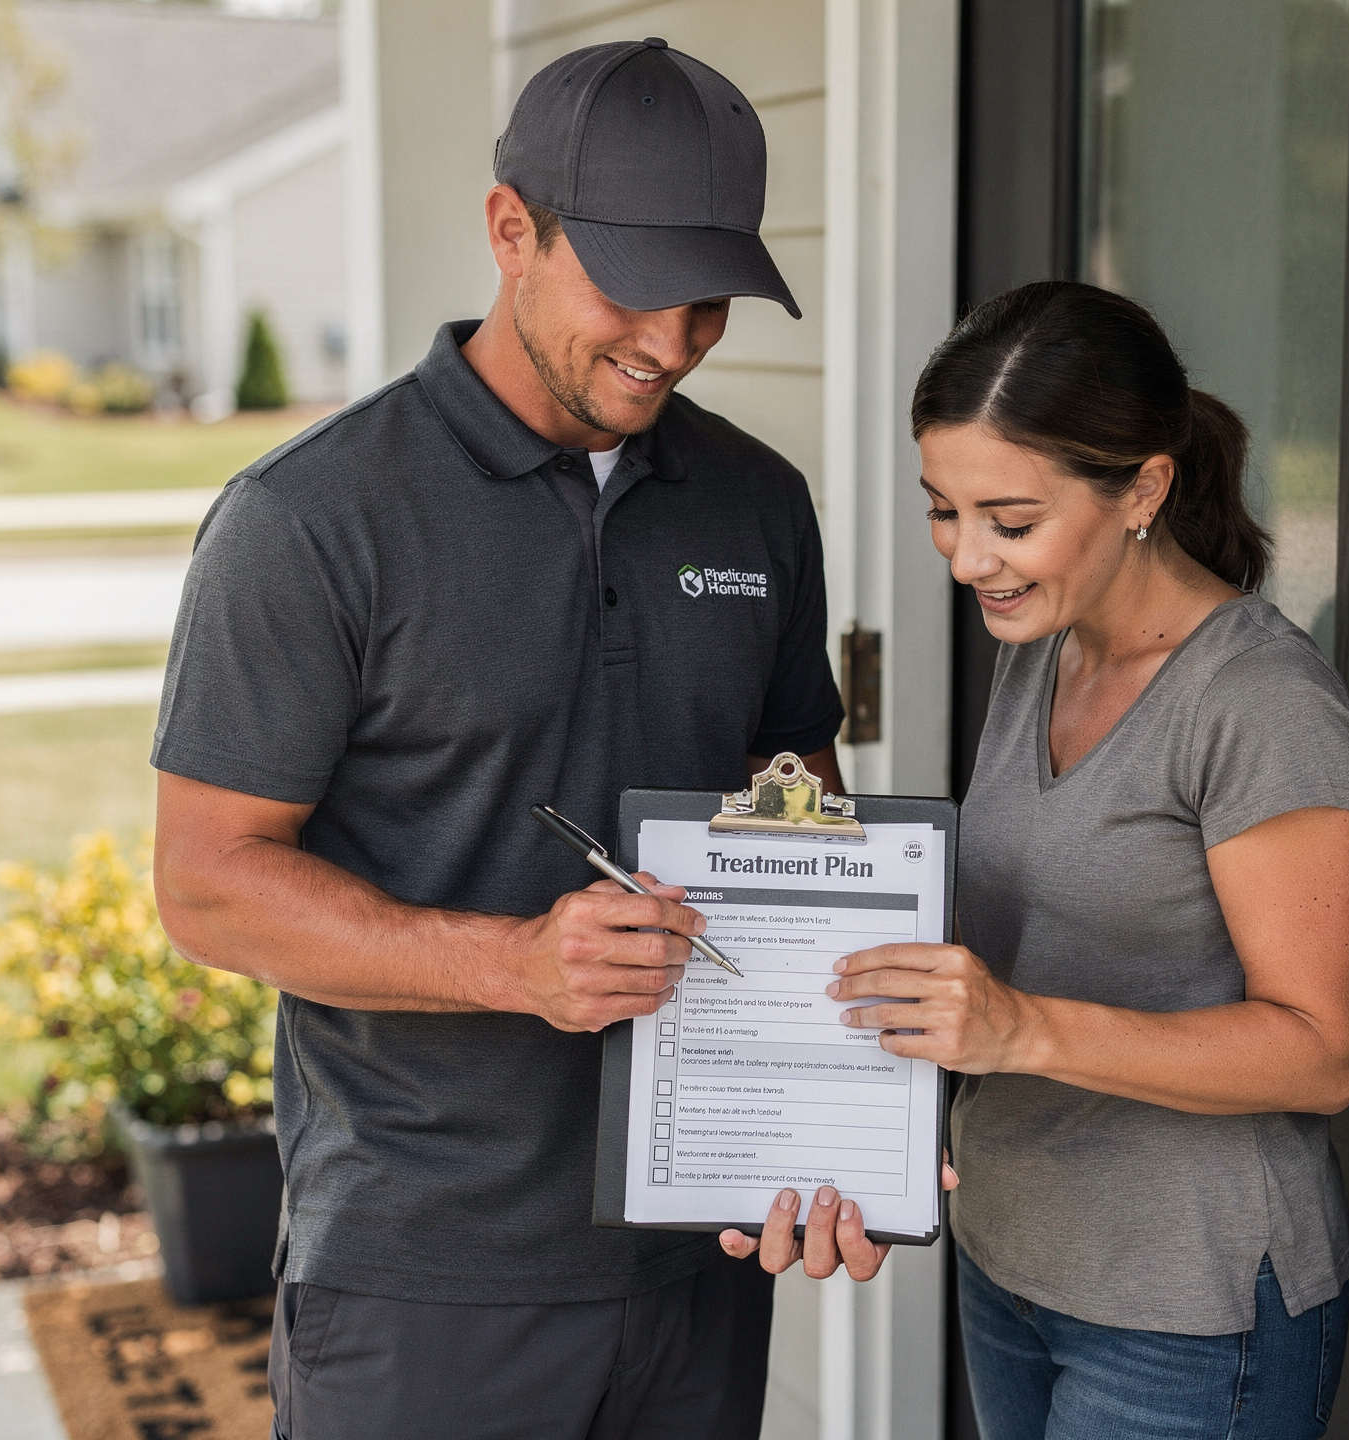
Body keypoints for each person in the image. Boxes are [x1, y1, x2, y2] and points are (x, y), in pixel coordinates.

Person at [149, 38, 877, 1440]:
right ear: (508, 231)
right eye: (631, 287)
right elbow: (209, 883)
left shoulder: (759, 503)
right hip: (428, 1278)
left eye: (710, 298)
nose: (673, 341)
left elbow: (795, 792)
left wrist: (841, 1116)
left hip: (699, 1256)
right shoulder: (309, 521)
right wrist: (513, 965)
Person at [748, 280, 1349, 1438]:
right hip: (1014, 1260)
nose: (969, 557)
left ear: (1143, 487)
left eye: (1012, 520)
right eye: (945, 510)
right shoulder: (1046, 648)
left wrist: (1019, 1028)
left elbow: (1323, 1054)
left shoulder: (1260, 707)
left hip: (1189, 1313)